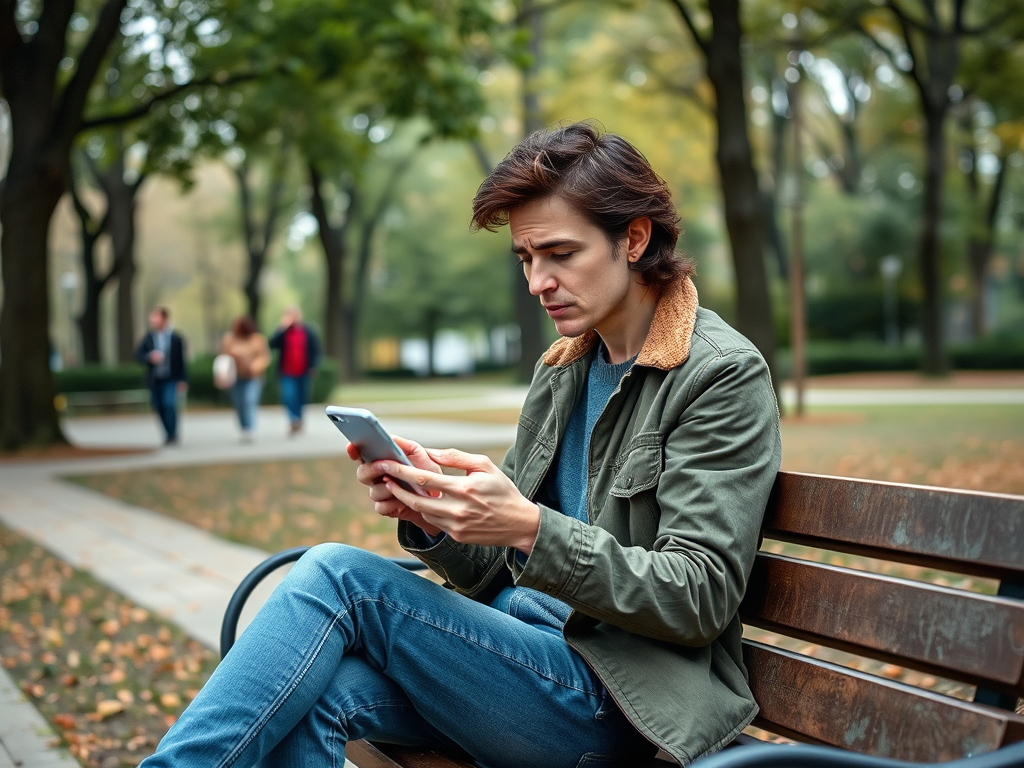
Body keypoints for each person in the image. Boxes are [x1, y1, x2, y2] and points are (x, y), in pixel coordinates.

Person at [138, 122, 781, 768]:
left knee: (342, 578)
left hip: (619, 702)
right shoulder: (562, 371)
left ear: (634, 239)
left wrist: (531, 528)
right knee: (319, 692)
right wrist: (435, 517)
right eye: (527, 259)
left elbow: (699, 595)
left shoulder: (717, 374)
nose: (538, 281)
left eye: (560, 254)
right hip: (515, 659)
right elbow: (494, 569)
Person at [134, 306, 188, 446]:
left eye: (156, 318)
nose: (153, 322)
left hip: (171, 378)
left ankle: (173, 434)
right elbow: (138, 355)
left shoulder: (176, 338)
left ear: (164, 319)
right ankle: (167, 433)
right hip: (155, 379)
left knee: (169, 404)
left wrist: (183, 380)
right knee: (158, 406)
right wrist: (149, 357)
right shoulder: (148, 337)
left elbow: (182, 361)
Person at [269, 306, 320, 436]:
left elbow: (316, 350)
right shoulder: (283, 332)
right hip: (287, 372)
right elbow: (272, 344)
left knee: (302, 397)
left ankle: (299, 419)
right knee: (288, 396)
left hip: (304, 371)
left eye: (294, 315)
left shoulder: (308, 331)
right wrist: (281, 327)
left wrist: (313, 366)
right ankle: (293, 420)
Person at [220, 316, 271, 442]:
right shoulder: (229, 339)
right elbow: (224, 355)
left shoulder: (258, 339)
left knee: (249, 400)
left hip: (253, 377)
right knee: (239, 403)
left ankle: (249, 428)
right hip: (235, 376)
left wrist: (256, 366)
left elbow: (264, 357)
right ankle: (243, 427)